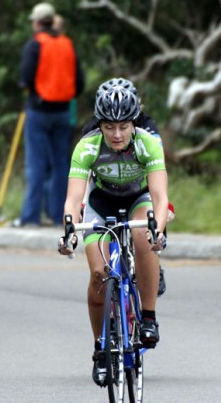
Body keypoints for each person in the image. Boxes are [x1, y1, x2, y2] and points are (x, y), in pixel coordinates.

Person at [58, 83, 169, 387]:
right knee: (98, 274)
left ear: (134, 123)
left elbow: (160, 197)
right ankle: (101, 349)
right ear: (100, 125)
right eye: (109, 127)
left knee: (144, 237)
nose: (117, 134)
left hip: (138, 199)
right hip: (101, 202)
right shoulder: (87, 146)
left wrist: (158, 229)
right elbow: (73, 200)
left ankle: (148, 317)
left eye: (123, 126)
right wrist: (69, 232)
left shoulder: (148, 143)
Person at [81, 77, 169, 297]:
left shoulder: (146, 125)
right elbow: (86, 171)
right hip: (104, 188)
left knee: (146, 229)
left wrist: (165, 208)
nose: (116, 131)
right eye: (110, 125)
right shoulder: (93, 128)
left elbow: (157, 170)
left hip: (140, 185)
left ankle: (153, 260)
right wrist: (82, 204)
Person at [14, 2, 85, 227]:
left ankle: (30, 217)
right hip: (63, 112)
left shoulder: (35, 44)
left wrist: (33, 90)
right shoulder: (67, 44)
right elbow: (80, 83)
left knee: (36, 164)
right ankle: (58, 216)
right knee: (60, 165)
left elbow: (25, 78)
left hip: (39, 110)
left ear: (36, 22)